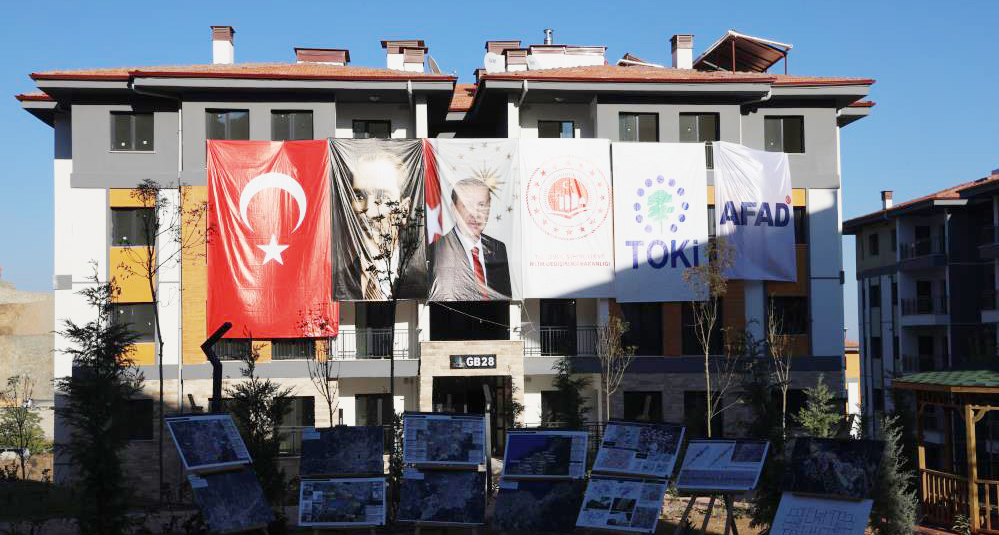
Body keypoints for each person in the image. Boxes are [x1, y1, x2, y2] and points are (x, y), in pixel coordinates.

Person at [429, 178, 511, 300]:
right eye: (467, 205)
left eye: (482, 205)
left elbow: (504, 297)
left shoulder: (498, 248)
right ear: (453, 208)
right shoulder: (436, 251)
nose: (475, 214)